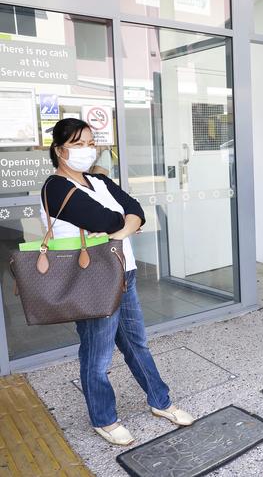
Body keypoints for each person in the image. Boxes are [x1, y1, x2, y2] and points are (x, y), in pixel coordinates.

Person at [42, 118, 194, 445]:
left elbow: (136, 210)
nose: (87, 149)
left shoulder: (98, 181)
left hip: (124, 272)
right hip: (91, 279)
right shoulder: (55, 188)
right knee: (97, 355)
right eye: (78, 143)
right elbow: (108, 217)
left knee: (136, 343)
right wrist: (122, 224)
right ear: (59, 150)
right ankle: (104, 419)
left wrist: (122, 229)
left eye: (90, 143)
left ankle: (161, 401)